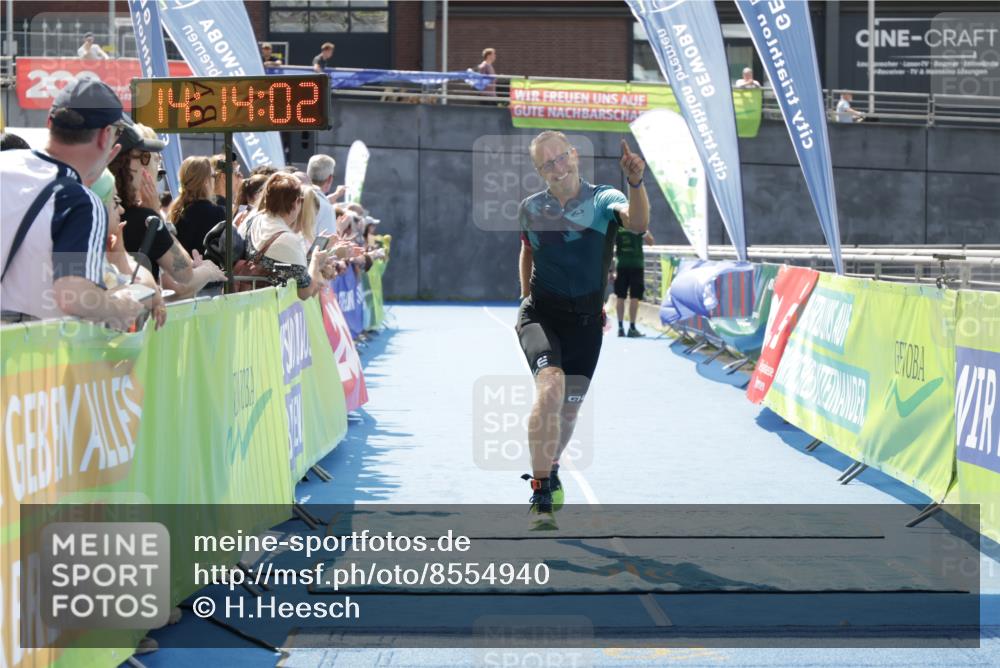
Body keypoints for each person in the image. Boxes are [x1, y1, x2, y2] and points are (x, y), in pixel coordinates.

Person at [516, 131, 649, 524]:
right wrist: (524, 297)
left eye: (561, 158)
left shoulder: (603, 198)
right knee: (550, 387)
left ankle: (552, 465)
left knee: (569, 413)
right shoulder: (530, 207)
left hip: (587, 323)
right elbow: (527, 249)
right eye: (547, 164)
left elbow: (638, 224)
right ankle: (540, 494)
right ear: (538, 171)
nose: (557, 167)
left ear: (574, 156)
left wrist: (636, 183)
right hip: (541, 314)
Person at [0, 78, 145, 329]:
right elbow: (74, 295)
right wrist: (120, 306)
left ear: (49, 123)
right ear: (105, 136)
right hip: (23, 358)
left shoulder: (6, 163)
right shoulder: (79, 202)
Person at [244, 172, 335, 300]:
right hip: (264, 310)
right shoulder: (288, 239)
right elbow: (305, 291)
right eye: (301, 200)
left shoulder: (253, 219)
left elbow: (283, 269)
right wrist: (315, 259)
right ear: (296, 202)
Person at [167, 156, 226, 257]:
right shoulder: (217, 212)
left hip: (182, 269)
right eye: (213, 176)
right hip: (208, 270)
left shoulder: (176, 209)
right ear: (205, 181)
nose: (214, 180)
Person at [612, 228, 655, 337]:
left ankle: (630, 327)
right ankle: (621, 327)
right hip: (625, 266)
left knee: (633, 297)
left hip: (634, 266)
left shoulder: (638, 225)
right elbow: (610, 246)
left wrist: (643, 231)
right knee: (621, 297)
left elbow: (650, 242)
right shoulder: (620, 225)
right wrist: (611, 270)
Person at [306, 154, 346, 237]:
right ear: (330, 179)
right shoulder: (326, 208)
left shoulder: (295, 197)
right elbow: (327, 244)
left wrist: (336, 194)